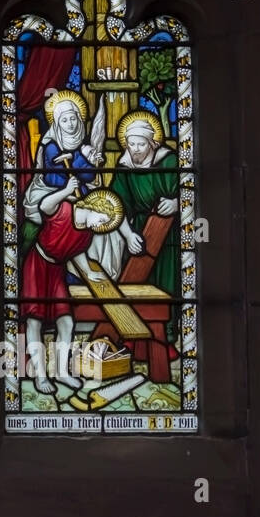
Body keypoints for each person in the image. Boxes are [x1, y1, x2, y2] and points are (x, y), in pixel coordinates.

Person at [20, 180, 117, 395]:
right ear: (95, 207)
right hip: (37, 265)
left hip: (56, 271)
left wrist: (88, 272)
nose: (100, 226)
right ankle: (40, 376)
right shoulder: (65, 208)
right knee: (34, 321)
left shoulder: (87, 233)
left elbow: (76, 251)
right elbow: (44, 206)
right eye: (102, 219)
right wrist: (65, 189)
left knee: (66, 321)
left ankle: (62, 371)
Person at [107, 111, 181, 343]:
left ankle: (168, 335)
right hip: (139, 233)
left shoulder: (169, 162)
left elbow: (192, 190)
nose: (136, 148)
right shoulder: (124, 168)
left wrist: (177, 203)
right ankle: (136, 338)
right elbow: (116, 208)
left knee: (168, 281)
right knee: (137, 282)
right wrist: (128, 235)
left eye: (141, 143)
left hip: (169, 234)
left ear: (153, 143)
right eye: (131, 143)